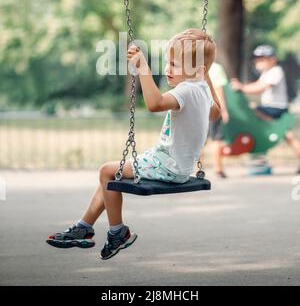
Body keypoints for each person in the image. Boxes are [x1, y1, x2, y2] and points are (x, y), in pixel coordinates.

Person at [46, 29, 221, 260]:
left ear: (197, 70)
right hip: (176, 164)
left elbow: (155, 104)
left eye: (175, 65)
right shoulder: (200, 88)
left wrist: (143, 69)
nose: (168, 69)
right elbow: (216, 113)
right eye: (168, 63)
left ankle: (117, 232)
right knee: (110, 180)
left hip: (168, 165)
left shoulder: (186, 90)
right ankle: (83, 227)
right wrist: (205, 76)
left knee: (107, 171)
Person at [231, 45, 300, 173]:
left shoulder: (275, 71)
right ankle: (260, 157)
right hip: (272, 108)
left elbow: (262, 87)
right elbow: (257, 85)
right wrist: (243, 87)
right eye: (257, 60)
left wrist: (241, 87)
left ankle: (259, 156)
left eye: (262, 59)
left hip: (275, 109)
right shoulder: (267, 73)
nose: (258, 62)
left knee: (252, 117)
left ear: (272, 59)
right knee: (288, 136)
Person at [208, 61, 230, 178]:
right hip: (213, 108)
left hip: (198, 107)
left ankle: (195, 169)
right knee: (216, 140)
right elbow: (219, 89)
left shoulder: (191, 67)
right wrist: (223, 109)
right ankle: (218, 169)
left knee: (200, 141)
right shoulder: (216, 68)